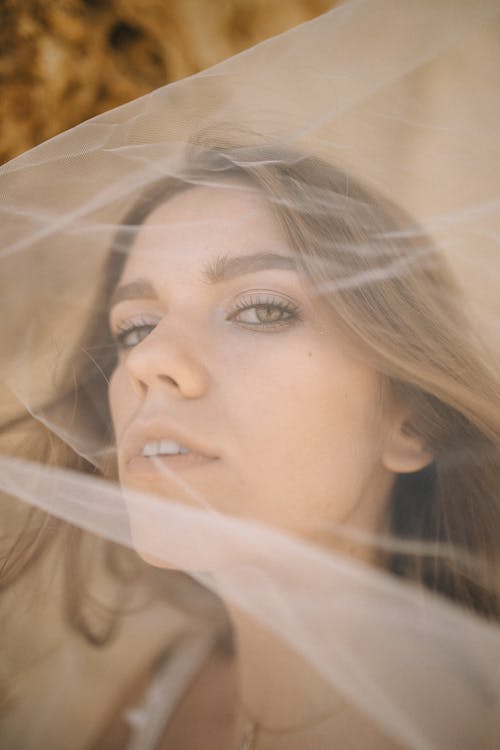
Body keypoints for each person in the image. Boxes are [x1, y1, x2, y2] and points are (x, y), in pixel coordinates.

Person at [1, 2, 499, 749]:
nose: (147, 361)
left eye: (261, 309)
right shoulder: (165, 689)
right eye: (134, 326)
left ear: (412, 421)